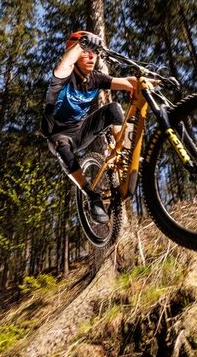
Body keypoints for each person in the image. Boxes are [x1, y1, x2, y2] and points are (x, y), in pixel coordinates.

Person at [42, 31, 137, 223]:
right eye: (86, 52)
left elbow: (128, 82)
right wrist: (81, 44)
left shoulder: (95, 78)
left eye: (94, 52)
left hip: (80, 131)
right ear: (75, 52)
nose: (91, 56)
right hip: (58, 135)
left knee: (114, 109)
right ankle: (91, 195)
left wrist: (153, 83)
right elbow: (65, 64)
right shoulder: (62, 76)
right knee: (62, 145)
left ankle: (124, 157)